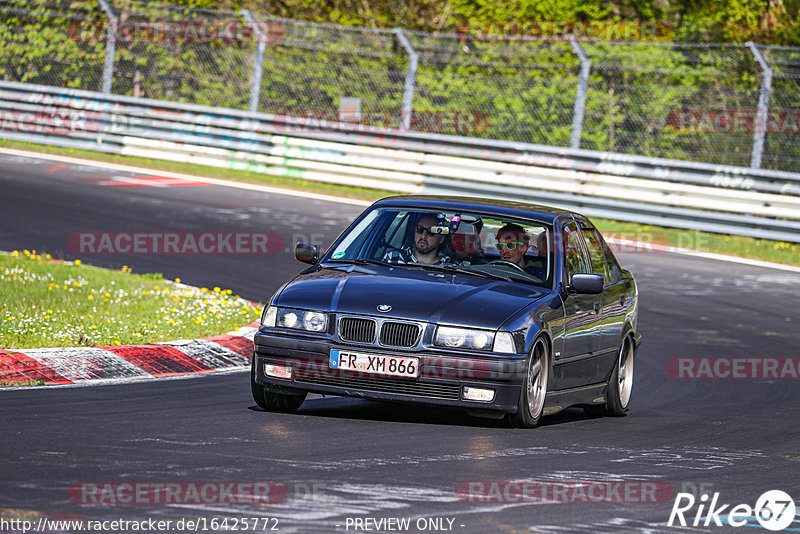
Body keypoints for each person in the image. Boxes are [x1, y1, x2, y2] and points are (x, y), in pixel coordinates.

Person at [383, 213, 453, 265]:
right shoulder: (393, 257)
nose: (423, 236)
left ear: (441, 239)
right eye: (420, 229)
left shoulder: (448, 267)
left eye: (430, 232)